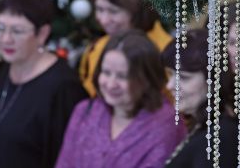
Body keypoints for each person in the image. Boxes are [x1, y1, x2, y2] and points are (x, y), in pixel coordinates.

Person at [0, 0, 87, 168]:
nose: (6, 39)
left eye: (17, 31)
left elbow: (68, 157)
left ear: (42, 34)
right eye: (1, 29)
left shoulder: (64, 86)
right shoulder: (2, 70)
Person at [55, 30, 186, 168]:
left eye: (122, 76)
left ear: (147, 79)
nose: (111, 84)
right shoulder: (84, 111)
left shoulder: (167, 126)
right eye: (106, 72)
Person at [162, 4, 240, 168]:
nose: (170, 86)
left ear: (214, 80)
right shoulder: (208, 123)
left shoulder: (223, 137)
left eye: (184, 78)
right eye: (170, 74)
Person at [79, 0, 172, 96]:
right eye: (99, 9)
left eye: (113, 11)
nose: (104, 20)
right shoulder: (97, 48)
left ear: (138, 10)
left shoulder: (167, 54)